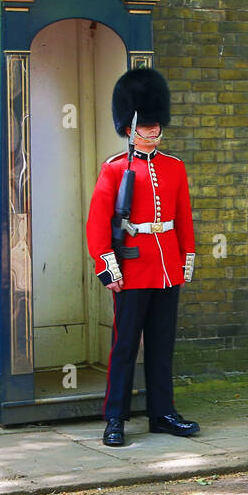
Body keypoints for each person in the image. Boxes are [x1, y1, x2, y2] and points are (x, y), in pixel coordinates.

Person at [85, 66, 198, 447]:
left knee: (162, 344)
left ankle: (162, 413)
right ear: (130, 126)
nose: (153, 130)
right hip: (132, 269)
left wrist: (186, 259)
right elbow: (98, 225)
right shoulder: (115, 169)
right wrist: (108, 268)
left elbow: (182, 216)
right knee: (125, 347)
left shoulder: (175, 167)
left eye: (156, 124)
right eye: (145, 124)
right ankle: (115, 418)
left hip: (167, 267)